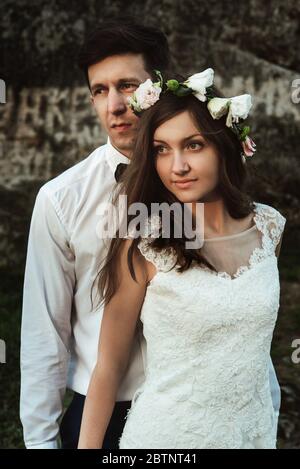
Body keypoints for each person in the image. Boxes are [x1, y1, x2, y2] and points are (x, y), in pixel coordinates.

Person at [77, 69, 286, 449]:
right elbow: (107, 368)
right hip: (166, 440)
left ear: (224, 145)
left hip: (253, 434)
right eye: (161, 149)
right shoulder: (144, 242)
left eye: (193, 145)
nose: (177, 167)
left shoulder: (269, 228)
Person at [20, 17, 170, 449]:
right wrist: (42, 444)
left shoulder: (200, 187)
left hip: (192, 409)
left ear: (159, 86)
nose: (113, 105)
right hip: (100, 420)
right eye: (99, 91)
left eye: (127, 85)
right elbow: (43, 333)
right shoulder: (60, 199)